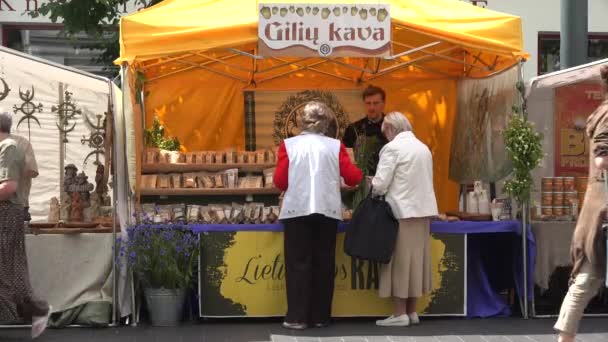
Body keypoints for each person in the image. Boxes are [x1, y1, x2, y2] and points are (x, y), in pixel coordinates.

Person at [274, 101, 363, 330]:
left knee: (297, 264)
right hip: (327, 210)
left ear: (301, 122)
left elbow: (280, 181)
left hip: (296, 210)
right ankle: (321, 316)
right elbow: (353, 177)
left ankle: (297, 317)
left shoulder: (288, 145)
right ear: (326, 123)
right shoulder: (335, 146)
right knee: (324, 263)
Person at [554, 65, 608, 342]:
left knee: (586, 279)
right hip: (603, 210)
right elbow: (602, 158)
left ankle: (565, 337)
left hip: (597, 208)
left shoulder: (601, 111)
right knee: (587, 279)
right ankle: (564, 338)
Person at [371, 112, 438, 327]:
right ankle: (412, 311)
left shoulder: (392, 149)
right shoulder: (423, 148)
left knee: (400, 264)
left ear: (390, 128)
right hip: (422, 213)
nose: (386, 138)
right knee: (416, 263)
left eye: (385, 133)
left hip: (400, 213)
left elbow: (380, 184)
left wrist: (371, 184)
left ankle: (399, 313)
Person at [0, 112, 51, 338]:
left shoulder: (8, 148)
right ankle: (37, 310)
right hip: (7, 213)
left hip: (6, 213)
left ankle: (36, 310)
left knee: (6, 270)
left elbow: (9, 187)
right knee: (11, 269)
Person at [342, 85, 389, 175]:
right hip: (362, 180)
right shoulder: (353, 129)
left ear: (383, 104)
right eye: (368, 103)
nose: (371, 108)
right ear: (364, 104)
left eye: (375, 103)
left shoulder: (392, 127)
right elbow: (346, 158)